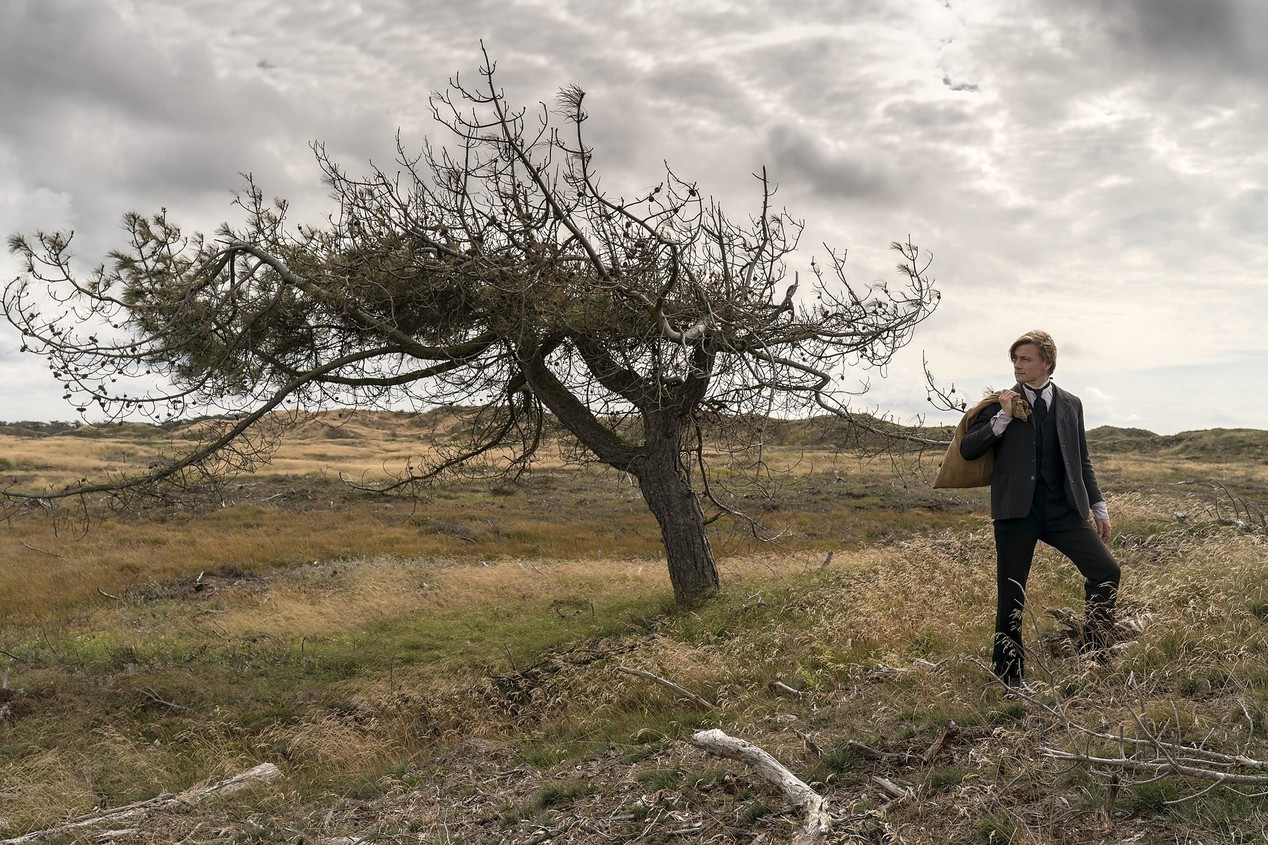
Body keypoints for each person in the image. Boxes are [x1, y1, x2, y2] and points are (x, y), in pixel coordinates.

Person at [959, 330, 1120, 689]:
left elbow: (1081, 458)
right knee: (1012, 593)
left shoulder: (1071, 403)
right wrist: (1002, 419)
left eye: (1025, 359)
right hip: (1016, 512)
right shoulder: (998, 404)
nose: (1017, 365)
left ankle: (1094, 655)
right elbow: (968, 450)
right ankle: (1009, 676)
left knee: (1106, 570)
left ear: (1046, 363)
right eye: (1015, 359)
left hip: (1064, 509)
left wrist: (1098, 507)